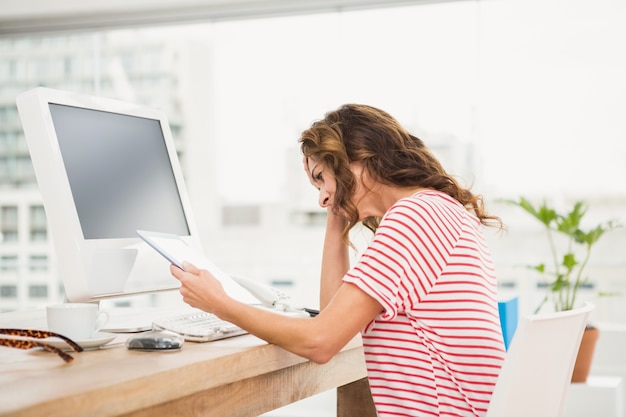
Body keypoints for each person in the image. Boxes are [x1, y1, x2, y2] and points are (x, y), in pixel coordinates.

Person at [171, 104, 507, 417]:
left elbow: (320, 342)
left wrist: (219, 303)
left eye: (321, 178)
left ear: (357, 159)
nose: (321, 197)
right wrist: (337, 218)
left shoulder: (413, 217)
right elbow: (335, 324)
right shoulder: (440, 210)